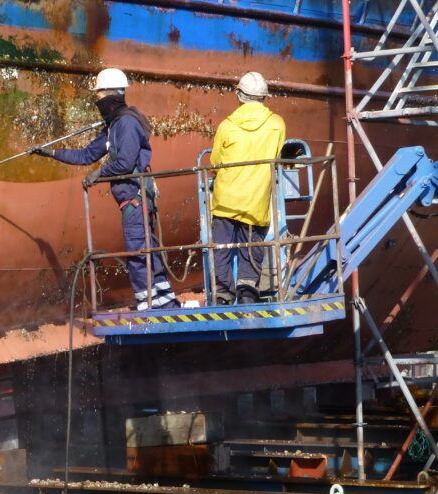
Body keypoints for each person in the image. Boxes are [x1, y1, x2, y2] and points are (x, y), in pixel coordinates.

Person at [31, 67, 178, 312]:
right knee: (146, 250)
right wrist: (51, 153)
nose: (97, 100)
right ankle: (164, 302)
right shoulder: (113, 126)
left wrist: (100, 173)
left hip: (135, 198)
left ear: (110, 95)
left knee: (138, 252)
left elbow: (125, 162)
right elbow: (88, 154)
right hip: (131, 199)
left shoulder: (127, 124)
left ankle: (148, 305)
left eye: (99, 95)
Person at [208, 71, 286, 305]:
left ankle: (222, 294)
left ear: (239, 95)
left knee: (222, 247)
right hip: (257, 198)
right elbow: (276, 155)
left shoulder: (227, 126)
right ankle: (248, 293)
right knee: (252, 246)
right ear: (264, 97)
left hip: (226, 198)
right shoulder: (277, 124)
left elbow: (215, 162)